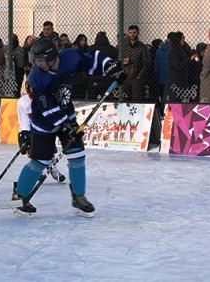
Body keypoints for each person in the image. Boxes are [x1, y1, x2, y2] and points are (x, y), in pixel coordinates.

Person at [10, 37, 126, 218]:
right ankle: (20, 195)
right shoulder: (36, 77)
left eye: (40, 60)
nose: (38, 64)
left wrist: (110, 66)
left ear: (51, 57)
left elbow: (91, 59)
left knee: (77, 154)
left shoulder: (70, 57)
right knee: (40, 161)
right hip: (44, 123)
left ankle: (78, 197)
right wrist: (66, 124)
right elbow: (46, 107)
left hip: (67, 115)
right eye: (36, 61)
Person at [16, 80, 66, 187]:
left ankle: (53, 169)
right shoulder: (23, 102)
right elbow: (23, 120)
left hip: (43, 128)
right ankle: (37, 171)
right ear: (28, 88)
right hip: (29, 129)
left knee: (48, 150)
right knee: (32, 152)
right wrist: (25, 132)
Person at [121, 25, 151, 102]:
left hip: (137, 78)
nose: (132, 35)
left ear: (138, 33)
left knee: (136, 100)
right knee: (125, 100)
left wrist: (139, 76)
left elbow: (146, 64)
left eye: (134, 33)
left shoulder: (142, 47)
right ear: (128, 33)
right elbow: (119, 60)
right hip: (126, 76)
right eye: (130, 33)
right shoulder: (123, 46)